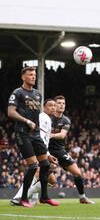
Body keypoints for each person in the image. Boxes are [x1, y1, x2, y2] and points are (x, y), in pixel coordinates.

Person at [7, 66, 59, 207]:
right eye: (30, 75)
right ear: (23, 77)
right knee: (33, 166)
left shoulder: (38, 94)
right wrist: (26, 121)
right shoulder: (17, 93)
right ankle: (23, 199)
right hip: (23, 133)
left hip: (35, 135)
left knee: (45, 165)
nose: (33, 77)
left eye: (34, 75)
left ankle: (44, 198)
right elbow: (10, 112)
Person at [11, 99, 58, 205]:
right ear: (44, 107)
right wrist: (44, 152)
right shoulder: (42, 117)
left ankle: (32, 198)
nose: (53, 107)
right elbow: (38, 136)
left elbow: (44, 139)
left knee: (51, 180)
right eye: (50, 105)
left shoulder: (47, 119)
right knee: (37, 171)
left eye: (54, 106)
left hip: (41, 149)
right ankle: (19, 197)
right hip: (36, 148)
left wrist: (48, 154)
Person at [48, 95, 95, 204]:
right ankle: (35, 195)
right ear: (54, 105)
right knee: (49, 179)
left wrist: (51, 135)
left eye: (63, 103)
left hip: (59, 150)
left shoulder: (66, 120)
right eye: (59, 103)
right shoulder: (47, 118)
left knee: (77, 173)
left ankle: (82, 197)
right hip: (46, 150)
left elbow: (62, 135)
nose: (62, 105)